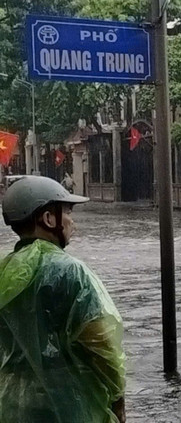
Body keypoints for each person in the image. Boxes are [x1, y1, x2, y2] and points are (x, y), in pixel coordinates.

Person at [0, 176, 126, 422]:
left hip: (12, 406)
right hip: (70, 405)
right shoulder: (69, 272)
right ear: (48, 219)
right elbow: (100, 347)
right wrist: (118, 399)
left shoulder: (4, 272)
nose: (72, 223)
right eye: (67, 213)